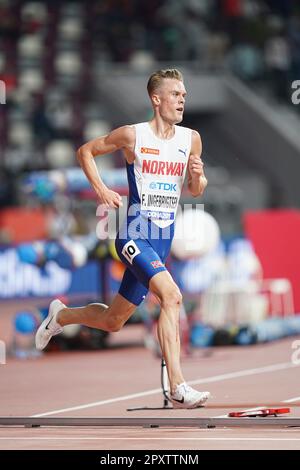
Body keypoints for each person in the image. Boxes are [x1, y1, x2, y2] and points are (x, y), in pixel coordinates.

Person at [35, 69, 210, 409]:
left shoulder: (192, 139)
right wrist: (101, 189)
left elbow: (195, 189)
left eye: (184, 95)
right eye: (176, 94)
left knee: (113, 321)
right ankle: (178, 386)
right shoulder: (133, 136)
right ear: (156, 99)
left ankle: (61, 316)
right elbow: (86, 151)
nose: (182, 100)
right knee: (172, 297)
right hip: (134, 232)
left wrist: (198, 179)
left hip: (162, 237)